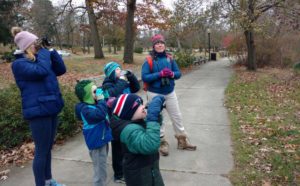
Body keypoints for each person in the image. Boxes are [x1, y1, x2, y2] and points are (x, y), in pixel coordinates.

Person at [10, 27, 66, 186]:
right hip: (38, 111)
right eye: (35, 43)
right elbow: (41, 71)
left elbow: (61, 70)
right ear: (27, 45)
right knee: (41, 152)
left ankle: (48, 181)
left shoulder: (40, 58)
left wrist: (52, 52)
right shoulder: (19, 64)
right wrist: (43, 54)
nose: (38, 45)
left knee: (48, 148)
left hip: (51, 106)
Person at [141, 34, 196, 156]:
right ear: (154, 46)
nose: (160, 45)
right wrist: (159, 74)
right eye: (157, 43)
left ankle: (182, 141)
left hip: (170, 92)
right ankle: (162, 143)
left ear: (164, 45)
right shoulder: (148, 60)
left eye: (161, 43)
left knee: (177, 116)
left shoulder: (169, 58)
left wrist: (171, 74)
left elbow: (178, 73)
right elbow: (145, 77)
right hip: (154, 94)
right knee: (159, 118)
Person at [109, 94, 165, 186]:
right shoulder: (128, 131)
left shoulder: (136, 122)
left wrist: (157, 115)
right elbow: (150, 145)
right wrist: (152, 118)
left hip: (149, 170)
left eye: (142, 103)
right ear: (128, 112)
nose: (143, 106)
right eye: (138, 105)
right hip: (140, 177)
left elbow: (151, 130)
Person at [102, 61, 140, 183]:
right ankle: (118, 174)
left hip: (128, 118)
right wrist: (123, 81)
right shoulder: (107, 84)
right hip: (116, 121)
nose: (120, 71)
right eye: (117, 69)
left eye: (120, 68)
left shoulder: (123, 82)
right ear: (111, 73)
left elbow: (136, 88)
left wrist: (131, 76)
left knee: (128, 145)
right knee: (118, 149)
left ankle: (129, 168)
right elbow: (112, 94)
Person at [74, 80, 112, 186]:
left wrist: (105, 95)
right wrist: (101, 101)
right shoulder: (85, 109)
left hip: (102, 138)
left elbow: (106, 108)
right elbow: (99, 115)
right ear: (87, 95)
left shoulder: (94, 104)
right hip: (96, 142)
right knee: (100, 169)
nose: (98, 93)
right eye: (95, 91)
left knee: (102, 164)